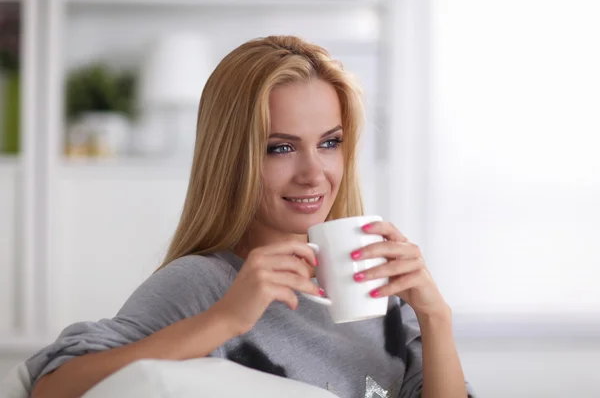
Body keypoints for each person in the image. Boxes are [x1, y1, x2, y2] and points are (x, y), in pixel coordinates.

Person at [27, 35, 474, 398]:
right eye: (280, 147)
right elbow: (51, 389)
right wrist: (224, 320)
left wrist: (436, 320)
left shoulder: (379, 290)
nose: (313, 173)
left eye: (329, 142)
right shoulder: (204, 283)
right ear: (233, 159)